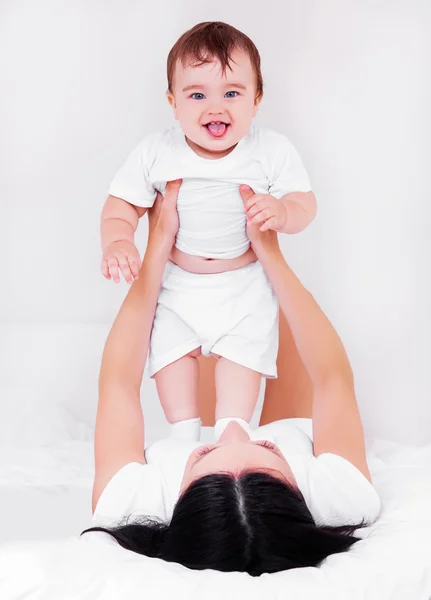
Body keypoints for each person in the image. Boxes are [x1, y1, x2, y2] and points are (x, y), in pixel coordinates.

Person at [81, 180, 381, 576]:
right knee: (272, 319)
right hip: (291, 427)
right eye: (269, 453)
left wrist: (158, 245)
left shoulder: (129, 504)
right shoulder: (342, 497)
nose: (235, 433)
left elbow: (118, 382)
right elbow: (332, 378)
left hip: (185, 427)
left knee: (195, 331)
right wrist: (269, 254)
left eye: (207, 454)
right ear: (301, 495)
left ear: (178, 502)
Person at [99, 21, 317, 440]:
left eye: (231, 93)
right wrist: (118, 240)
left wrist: (283, 211)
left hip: (246, 285)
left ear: (256, 100)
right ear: (173, 103)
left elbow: (305, 202)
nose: (215, 107)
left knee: (241, 370)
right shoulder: (157, 152)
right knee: (172, 364)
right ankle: (184, 438)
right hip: (178, 286)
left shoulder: (270, 151)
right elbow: (121, 204)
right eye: (197, 94)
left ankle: (232, 435)